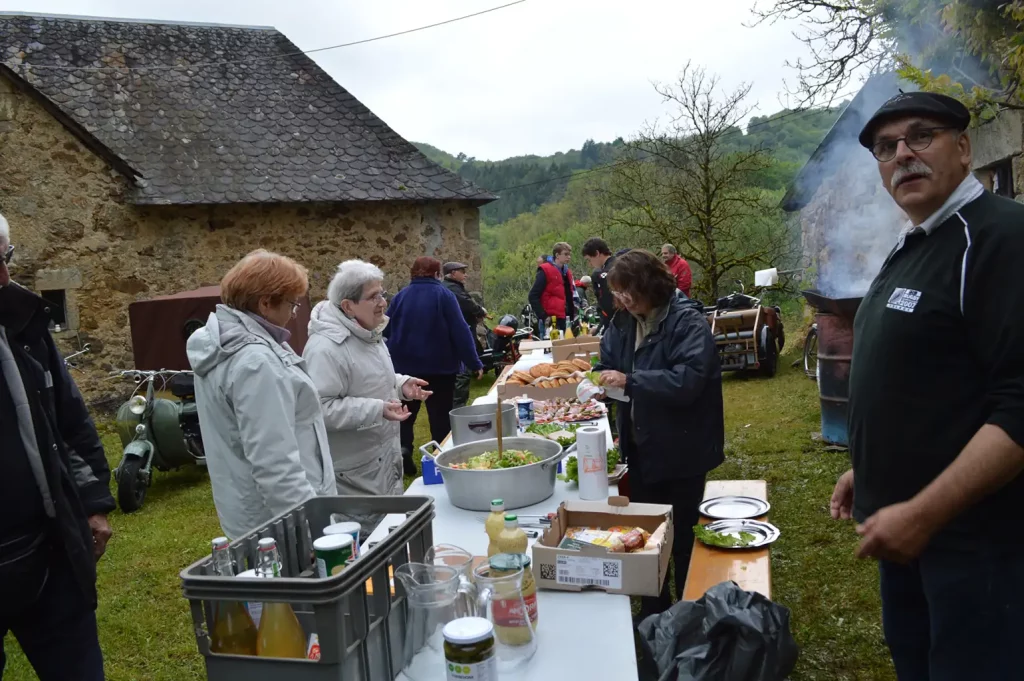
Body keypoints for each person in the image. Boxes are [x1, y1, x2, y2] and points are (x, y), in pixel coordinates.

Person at [830, 91, 1024, 681]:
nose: (902, 156)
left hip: (976, 545)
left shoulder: (1000, 239)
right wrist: (873, 465)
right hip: (912, 538)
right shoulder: (914, 242)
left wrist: (923, 510)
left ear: (964, 149)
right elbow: (931, 381)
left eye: (921, 137)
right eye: (887, 148)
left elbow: (1018, 406)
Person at [0, 212, 115, 681]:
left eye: (3, 258)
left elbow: (66, 421)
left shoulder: (20, 320)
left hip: (46, 548)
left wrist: (91, 502)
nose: (4, 277)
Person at [594, 249, 723, 618]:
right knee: (649, 534)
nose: (620, 299)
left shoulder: (686, 322)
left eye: (625, 292)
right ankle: (653, 611)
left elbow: (690, 381)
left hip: (682, 448)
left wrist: (631, 381)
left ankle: (687, 613)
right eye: (617, 292)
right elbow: (607, 362)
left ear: (648, 285)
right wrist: (601, 380)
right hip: (640, 444)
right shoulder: (622, 321)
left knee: (681, 536)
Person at [187, 249, 336, 539]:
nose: (294, 314)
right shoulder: (256, 362)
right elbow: (275, 462)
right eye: (292, 304)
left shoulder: (234, 345)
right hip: (284, 524)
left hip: (255, 514)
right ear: (266, 303)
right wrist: (311, 530)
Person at [303, 260, 432, 525]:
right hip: (353, 472)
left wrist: (401, 385)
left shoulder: (366, 333)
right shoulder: (326, 348)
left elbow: (368, 380)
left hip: (380, 458)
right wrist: (378, 409)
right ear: (348, 306)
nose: (383, 302)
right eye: (373, 297)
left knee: (389, 533)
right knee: (365, 543)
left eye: (382, 293)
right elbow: (320, 408)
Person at [385, 256, 483, 460]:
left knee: (405, 414)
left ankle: (404, 450)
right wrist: (474, 362)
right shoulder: (444, 295)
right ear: (438, 274)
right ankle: (440, 455)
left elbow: (385, 329)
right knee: (440, 416)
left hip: (404, 369)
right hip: (440, 368)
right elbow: (461, 331)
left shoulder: (400, 297)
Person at [442, 261, 487, 410]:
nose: (465, 274)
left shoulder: (452, 287)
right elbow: (467, 303)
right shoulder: (452, 289)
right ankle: (458, 409)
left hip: (457, 334)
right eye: (462, 271)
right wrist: (480, 311)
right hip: (460, 335)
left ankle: (454, 407)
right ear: (453, 273)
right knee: (462, 373)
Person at [528, 242, 577, 338]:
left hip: (564, 318)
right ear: (557, 255)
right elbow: (533, 296)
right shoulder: (545, 270)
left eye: (569, 254)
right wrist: (544, 316)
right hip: (550, 319)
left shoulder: (567, 272)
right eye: (566, 254)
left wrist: (572, 315)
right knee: (549, 350)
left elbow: (569, 296)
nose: (569, 257)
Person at [582, 237, 617, 333]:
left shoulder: (604, 274)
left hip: (618, 324)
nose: (590, 264)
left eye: (589, 260)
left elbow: (607, 306)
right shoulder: (620, 263)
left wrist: (602, 328)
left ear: (597, 253)